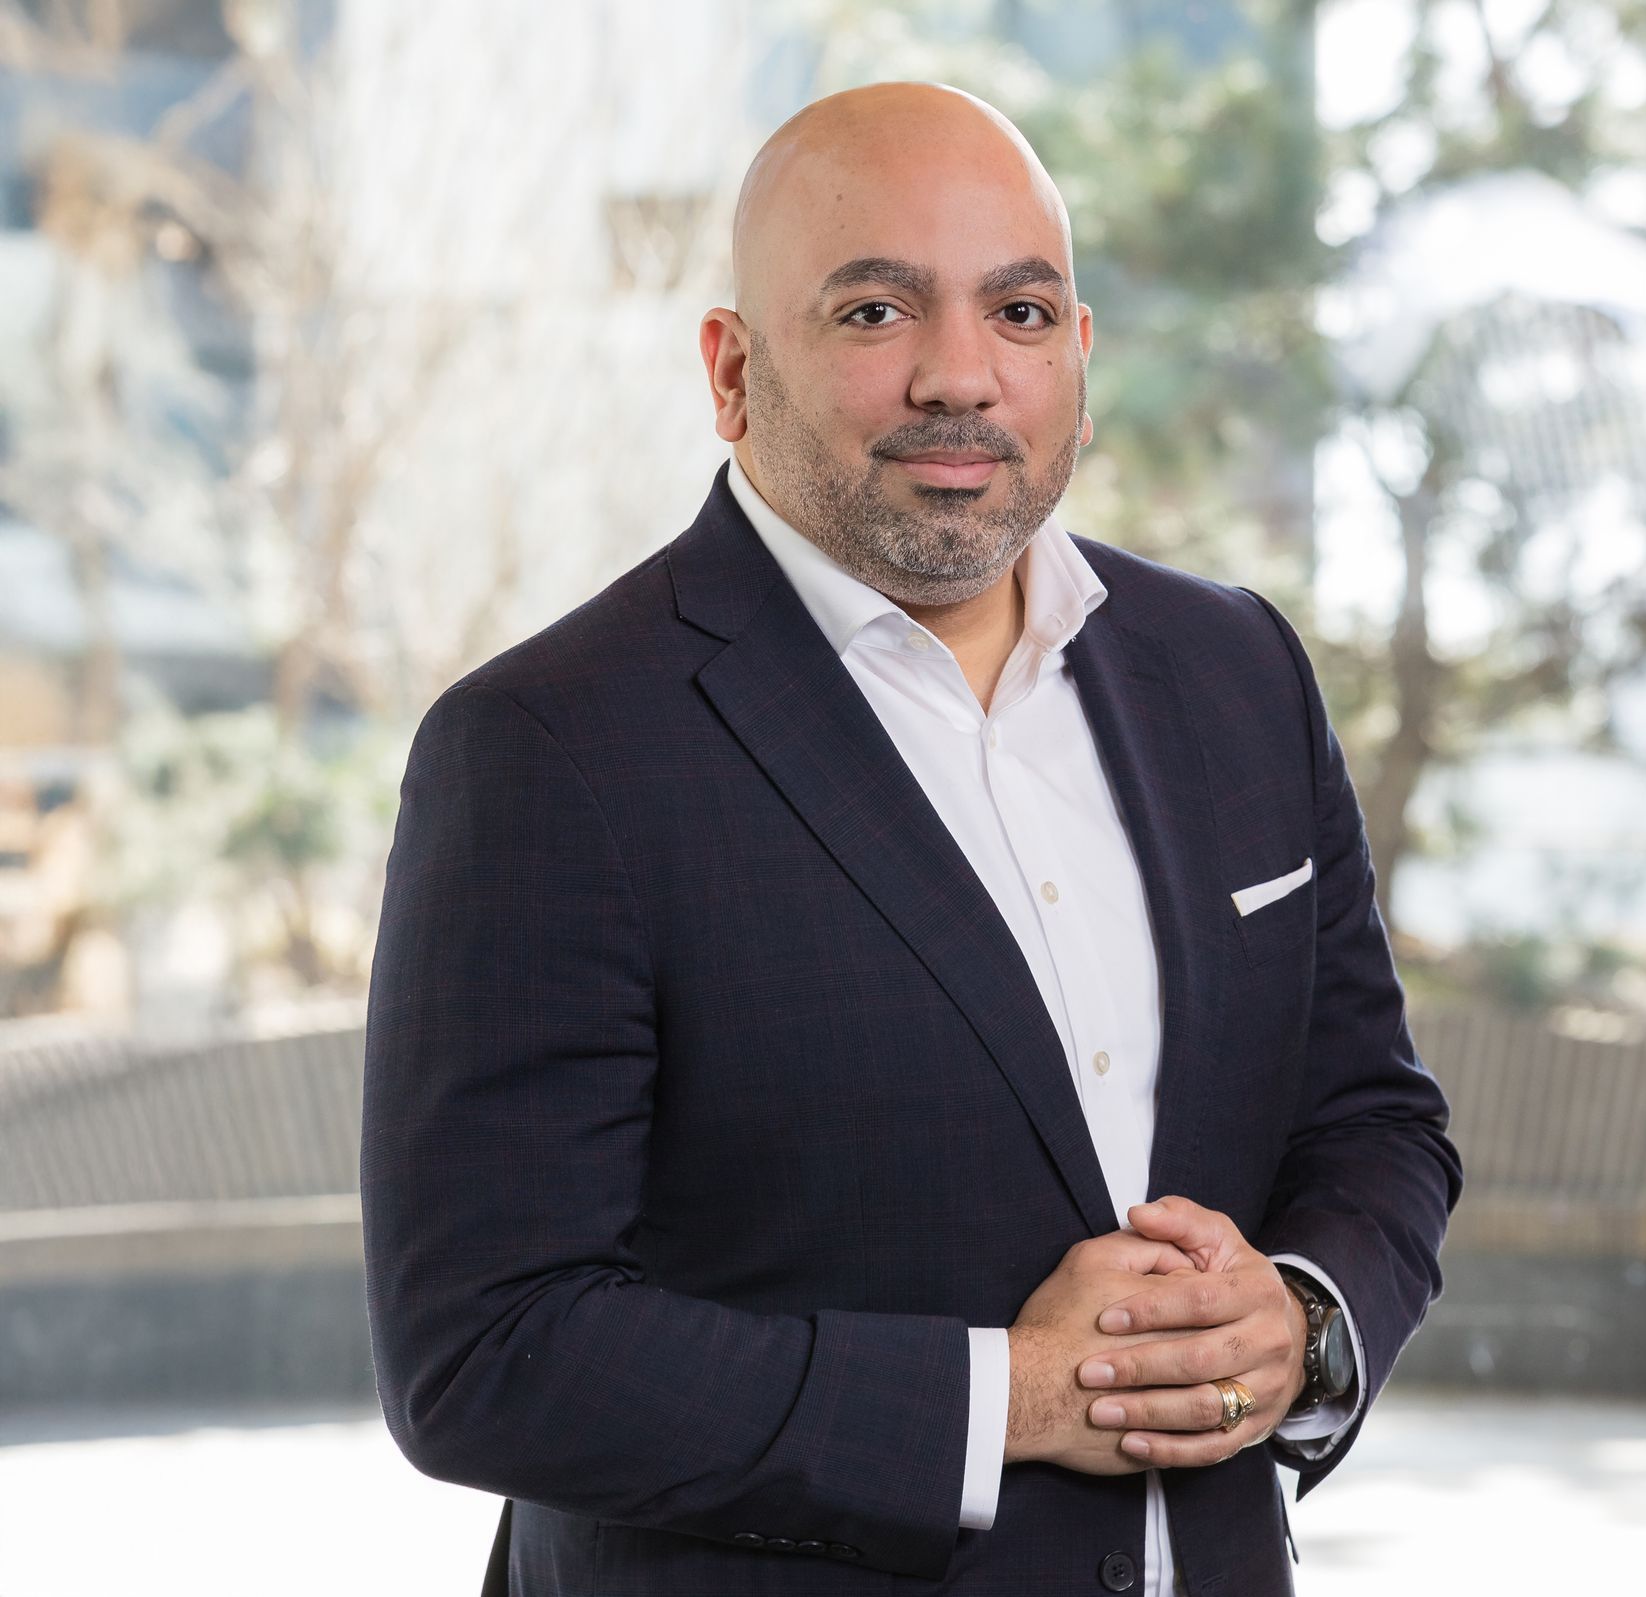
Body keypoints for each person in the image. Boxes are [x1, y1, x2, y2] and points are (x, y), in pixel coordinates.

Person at [360, 80, 1462, 1597]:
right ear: (734, 371)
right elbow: (486, 1348)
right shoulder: (551, 748)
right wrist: (1010, 1396)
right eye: (877, 312)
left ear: (1079, 355)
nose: (963, 376)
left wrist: (1303, 1318)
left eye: (1018, 310)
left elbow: (1374, 1121)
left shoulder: (1236, 669)